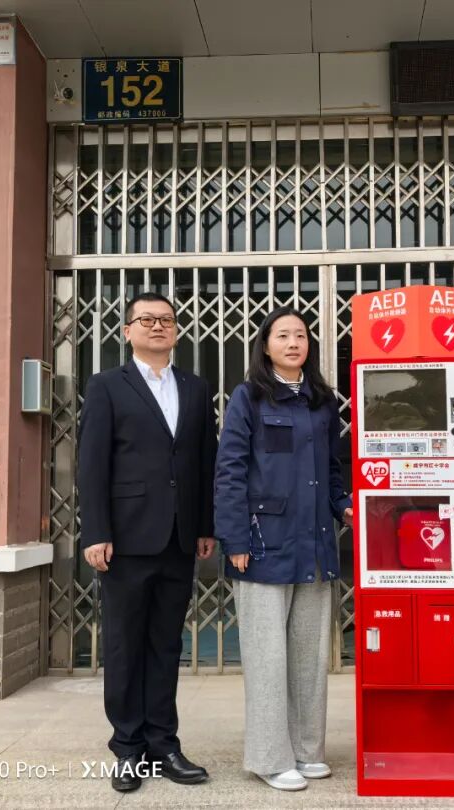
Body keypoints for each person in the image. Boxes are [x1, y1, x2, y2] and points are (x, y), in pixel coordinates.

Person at [77, 291, 217, 794]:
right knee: (124, 645)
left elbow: (205, 460)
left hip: (179, 538)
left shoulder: (195, 387)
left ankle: (164, 744)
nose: (158, 327)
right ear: (128, 331)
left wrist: (205, 525)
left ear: (176, 331)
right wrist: (96, 531)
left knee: (165, 644)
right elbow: (92, 462)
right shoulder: (107, 386)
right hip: (126, 538)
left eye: (167, 320)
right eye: (147, 320)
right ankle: (128, 748)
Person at [213, 307, 353, 792]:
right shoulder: (248, 397)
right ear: (266, 345)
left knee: (310, 658)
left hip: (314, 545)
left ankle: (308, 750)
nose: (294, 343)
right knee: (268, 659)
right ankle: (270, 758)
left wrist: (344, 505)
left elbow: (332, 469)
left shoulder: (322, 401)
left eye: (301, 335)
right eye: (283, 335)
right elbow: (230, 469)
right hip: (262, 542)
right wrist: (234, 538)